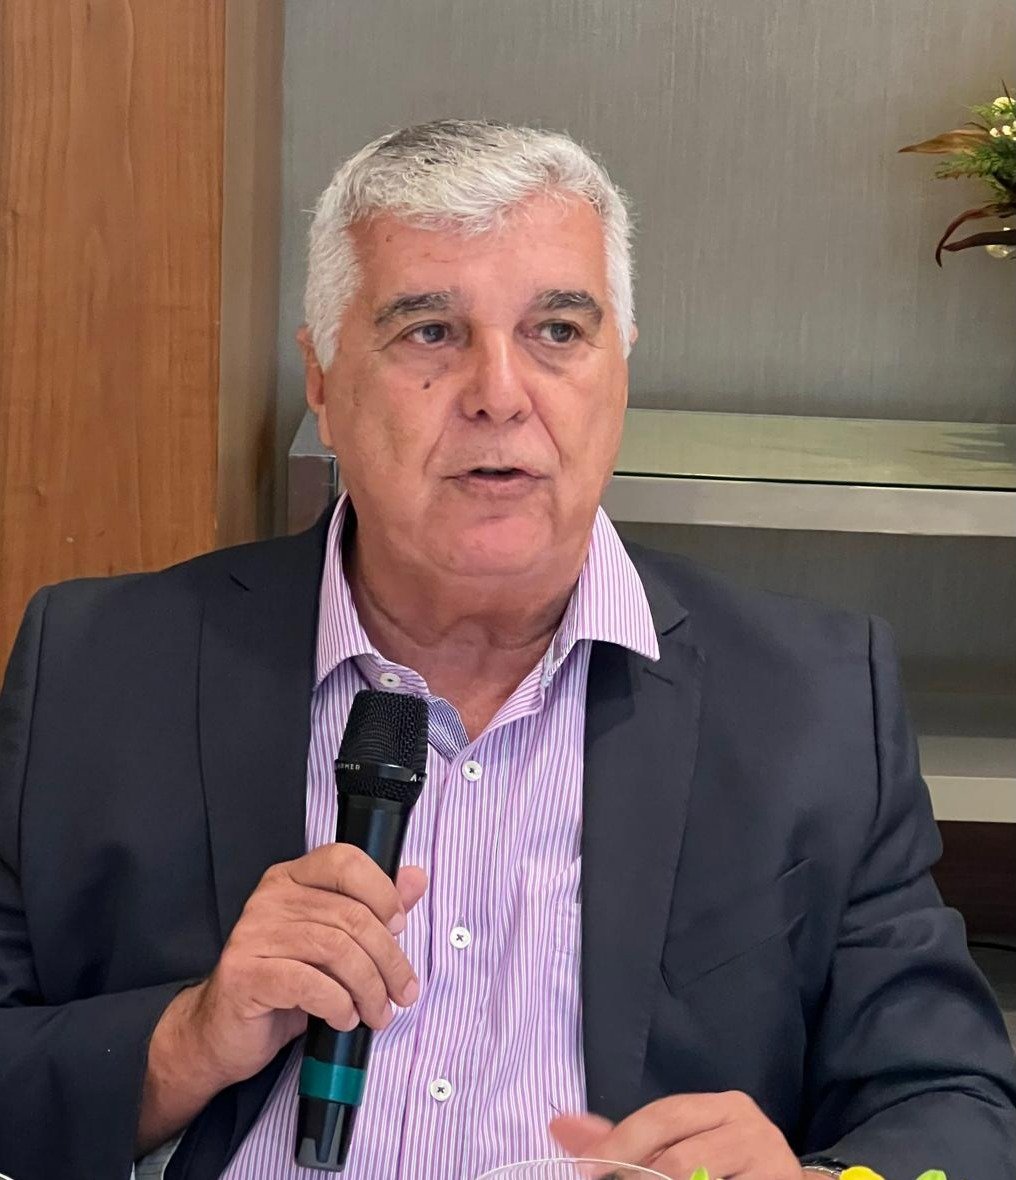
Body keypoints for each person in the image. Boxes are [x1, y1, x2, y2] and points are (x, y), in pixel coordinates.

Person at [1, 119, 1014, 1180]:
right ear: (322, 380)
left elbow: (952, 1104)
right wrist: (188, 1040)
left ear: (619, 370)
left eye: (557, 331)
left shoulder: (811, 699)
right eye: (430, 331)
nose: (498, 392)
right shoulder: (101, 668)